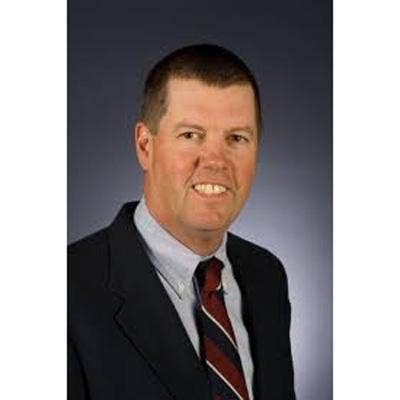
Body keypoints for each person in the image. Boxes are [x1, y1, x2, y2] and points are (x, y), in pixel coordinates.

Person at [68, 44, 296, 400]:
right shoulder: (66, 291)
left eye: (237, 138)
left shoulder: (266, 276)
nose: (216, 161)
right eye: (191, 135)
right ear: (145, 146)